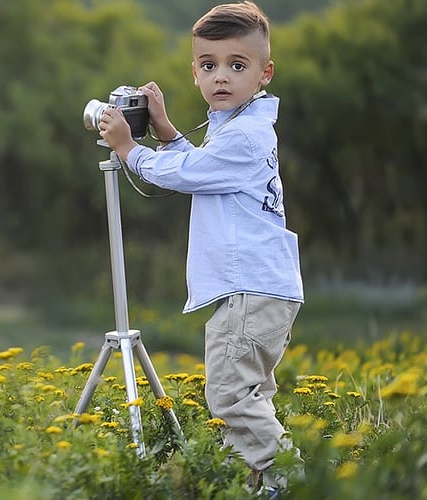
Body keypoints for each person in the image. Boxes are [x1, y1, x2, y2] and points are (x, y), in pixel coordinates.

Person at [97, 1, 303, 495]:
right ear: (194, 72)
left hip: (248, 289)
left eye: (237, 65)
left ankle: (289, 480)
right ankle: (262, 481)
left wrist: (130, 149)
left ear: (264, 73)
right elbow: (204, 170)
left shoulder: (246, 137)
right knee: (250, 394)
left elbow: (187, 175)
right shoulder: (237, 126)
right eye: (209, 65)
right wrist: (166, 130)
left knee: (230, 394)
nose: (221, 77)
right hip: (262, 287)